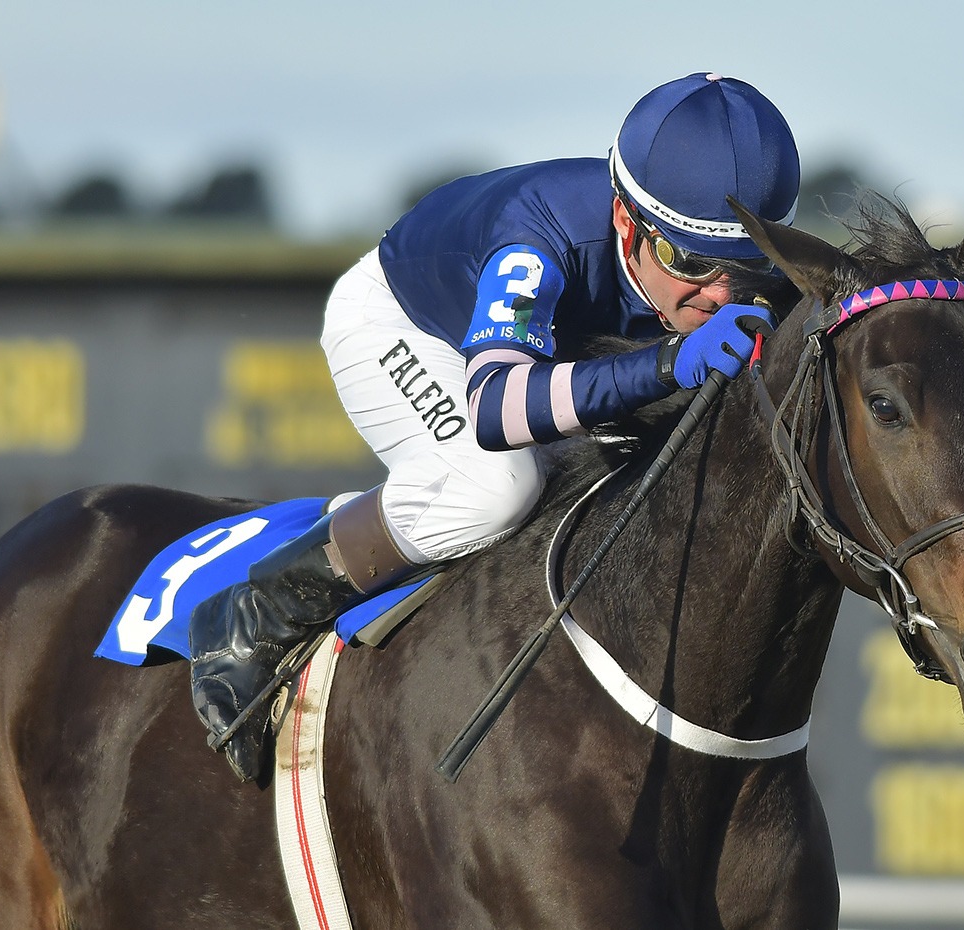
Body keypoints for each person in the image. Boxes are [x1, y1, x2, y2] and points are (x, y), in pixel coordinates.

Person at [188, 72, 801, 782]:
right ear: (627, 222)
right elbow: (497, 410)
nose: (720, 294)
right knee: (496, 487)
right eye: (689, 262)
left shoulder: (716, 271)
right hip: (415, 328)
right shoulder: (535, 239)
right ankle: (257, 610)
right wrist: (667, 364)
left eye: (748, 267)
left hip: (556, 355)